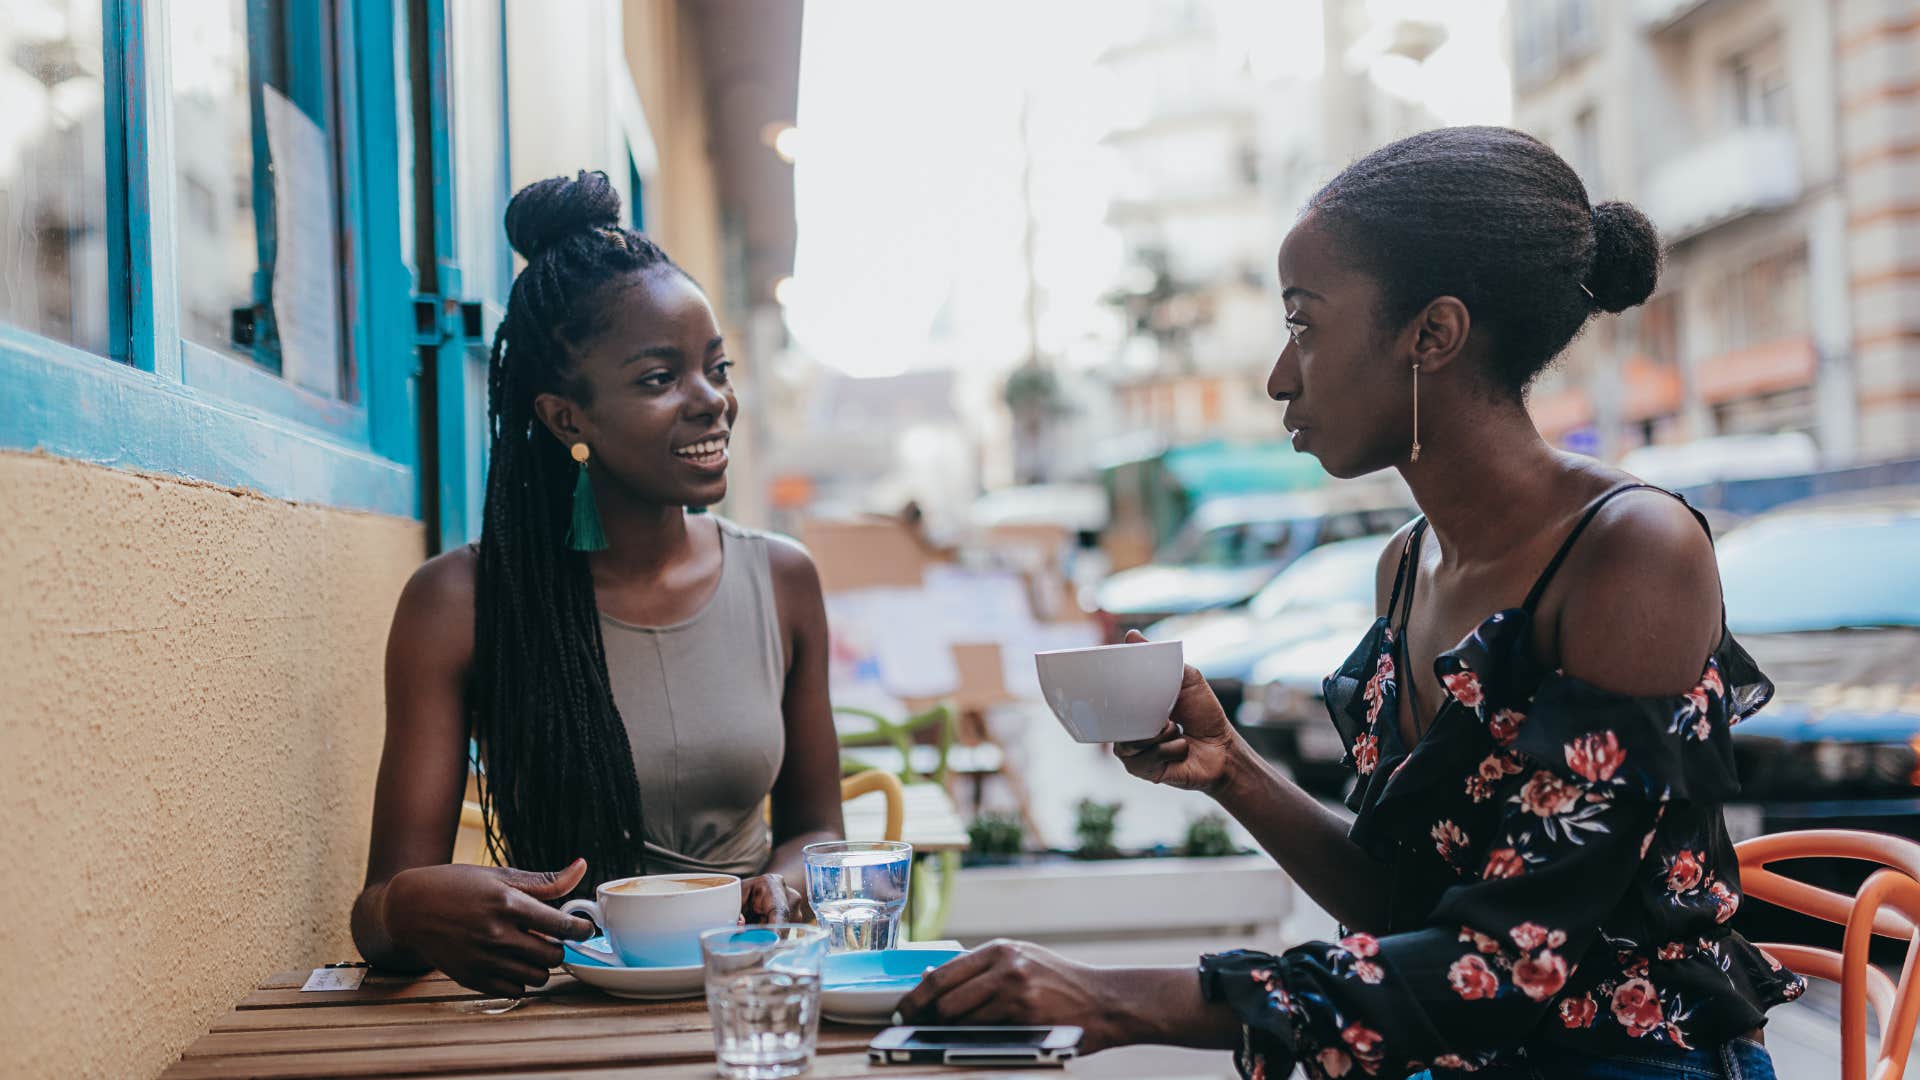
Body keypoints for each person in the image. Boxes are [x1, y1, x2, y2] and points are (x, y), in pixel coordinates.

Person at [898, 127, 1805, 1079]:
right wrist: (1230, 768)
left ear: (1433, 335)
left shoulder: (1633, 552)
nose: (1278, 376)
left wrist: (1114, 1000)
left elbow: (1506, 965)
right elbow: (1400, 902)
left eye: (1304, 323)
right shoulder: (1407, 566)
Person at [349, 171, 844, 999]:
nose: (711, 402)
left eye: (715, 368)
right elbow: (377, 920)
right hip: (560, 1003)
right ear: (565, 418)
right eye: (660, 379)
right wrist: (414, 908)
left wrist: (789, 886)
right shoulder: (459, 602)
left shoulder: (784, 580)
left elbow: (817, 829)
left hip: (752, 1002)